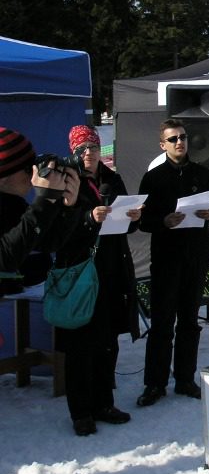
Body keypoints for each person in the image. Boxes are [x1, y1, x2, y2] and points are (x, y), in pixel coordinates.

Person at [52, 126, 142, 436]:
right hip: (79, 273)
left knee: (107, 343)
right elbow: (55, 230)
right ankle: (81, 412)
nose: (89, 152)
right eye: (83, 148)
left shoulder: (110, 178)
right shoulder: (65, 180)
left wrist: (132, 218)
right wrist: (89, 219)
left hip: (112, 272)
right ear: (74, 152)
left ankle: (104, 403)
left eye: (93, 146)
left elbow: (124, 226)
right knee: (80, 346)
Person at [136, 119, 209, 406]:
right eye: (173, 139)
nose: (179, 143)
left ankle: (185, 378)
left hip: (196, 258)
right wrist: (163, 221)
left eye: (183, 137)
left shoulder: (201, 174)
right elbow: (143, 222)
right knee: (162, 324)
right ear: (162, 145)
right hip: (165, 260)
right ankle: (154, 383)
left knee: (190, 322)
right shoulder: (153, 178)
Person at [0, 127, 80, 281]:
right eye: (27, 169)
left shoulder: (11, 202)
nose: (33, 175)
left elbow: (48, 243)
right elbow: (4, 259)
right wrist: (44, 202)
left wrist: (68, 207)